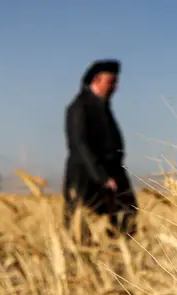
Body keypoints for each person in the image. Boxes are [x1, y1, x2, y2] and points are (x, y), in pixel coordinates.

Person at [62, 59, 137, 240]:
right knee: (83, 228)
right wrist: (102, 176)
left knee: (128, 215)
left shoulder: (103, 107)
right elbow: (81, 145)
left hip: (113, 173)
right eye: (111, 82)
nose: (115, 87)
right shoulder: (79, 107)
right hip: (87, 177)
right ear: (96, 80)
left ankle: (117, 260)